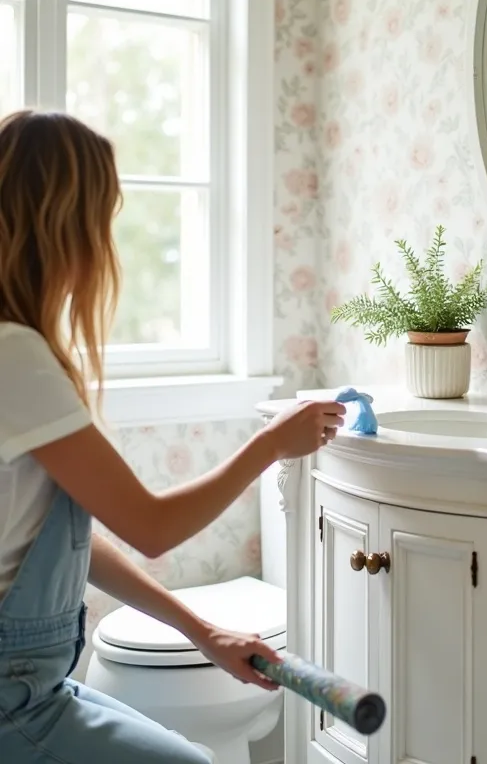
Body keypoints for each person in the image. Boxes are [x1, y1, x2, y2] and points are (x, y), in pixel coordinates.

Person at [0, 110, 345, 763]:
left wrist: (206, 633)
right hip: (14, 699)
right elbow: (152, 527)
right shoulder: (15, 355)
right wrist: (273, 444)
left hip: (31, 687)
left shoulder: (16, 349)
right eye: (101, 215)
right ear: (64, 225)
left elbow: (69, 542)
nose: (106, 238)